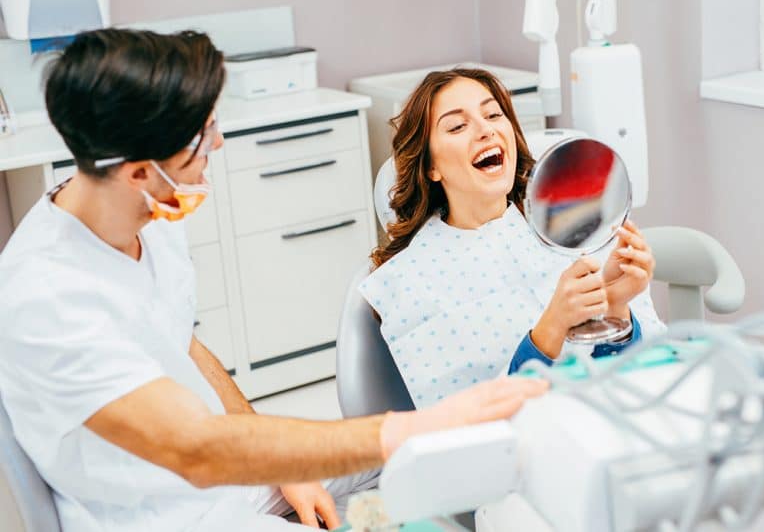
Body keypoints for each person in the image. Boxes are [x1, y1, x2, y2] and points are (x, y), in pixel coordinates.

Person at [0, 30, 547, 532]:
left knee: (418, 475)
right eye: (200, 136)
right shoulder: (48, 298)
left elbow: (179, 341)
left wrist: (288, 467)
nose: (216, 146)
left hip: (231, 472)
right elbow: (195, 449)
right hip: (170, 513)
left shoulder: (145, 210)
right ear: (139, 170)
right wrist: (415, 428)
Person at [360, 68, 666, 406]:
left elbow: (641, 381)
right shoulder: (410, 281)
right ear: (431, 167)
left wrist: (614, 307)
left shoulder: (576, 227)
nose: (486, 129)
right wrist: (552, 326)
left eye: (493, 114)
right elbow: (464, 429)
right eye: (457, 126)